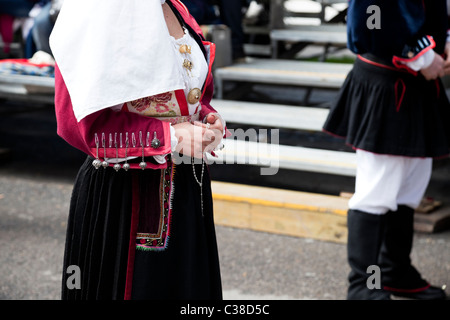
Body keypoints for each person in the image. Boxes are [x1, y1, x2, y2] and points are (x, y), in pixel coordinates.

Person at [50, 0, 227, 300]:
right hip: (125, 197)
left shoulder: (175, 6)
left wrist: (208, 120)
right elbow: (78, 124)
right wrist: (169, 137)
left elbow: (187, 91)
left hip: (187, 190)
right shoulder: (95, 8)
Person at [323, 0, 450, 300]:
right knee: (377, 191)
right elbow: (371, 22)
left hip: (418, 88)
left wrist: (444, 43)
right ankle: (364, 286)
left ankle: (394, 272)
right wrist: (421, 56)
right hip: (387, 85)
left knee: (410, 188)